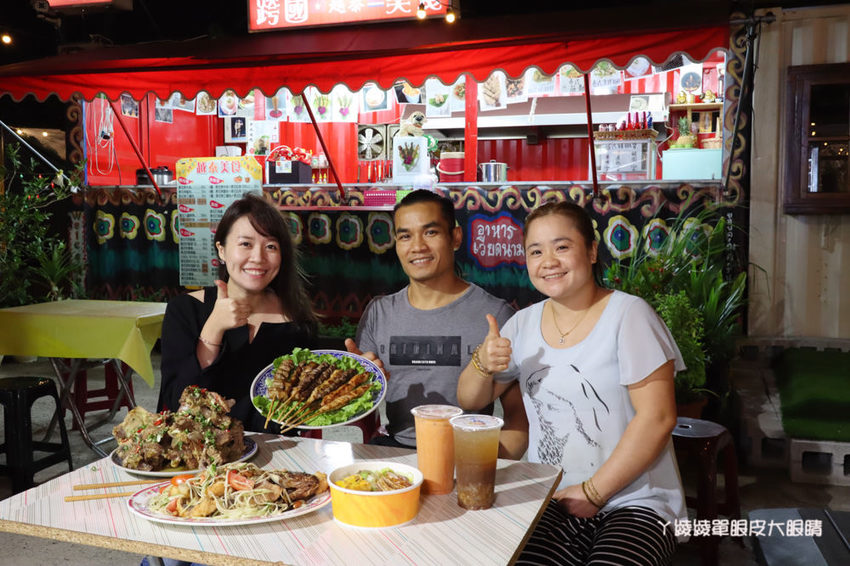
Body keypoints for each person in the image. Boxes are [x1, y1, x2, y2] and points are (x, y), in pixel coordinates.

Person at [457, 200, 686, 565]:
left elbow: (658, 418)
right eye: (536, 251)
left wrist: (593, 492)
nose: (548, 261)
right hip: (553, 496)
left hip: (637, 502)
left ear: (592, 251)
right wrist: (482, 363)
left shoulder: (629, 315)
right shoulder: (522, 324)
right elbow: (469, 401)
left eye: (562, 247)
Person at [346, 189, 528, 458]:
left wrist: (485, 468)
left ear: (455, 237)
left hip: (466, 454)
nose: (417, 246)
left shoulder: (495, 315)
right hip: (396, 453)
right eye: (405, 236)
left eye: (430, 232)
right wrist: (357, 385)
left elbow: (519, 418)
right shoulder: (379, 312)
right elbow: (358, 410)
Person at [157, 193, 318, 433]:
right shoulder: (184, 310)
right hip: (199, 448)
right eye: (245, 244)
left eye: (271, 246)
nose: (258, 258)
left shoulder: (298, 322)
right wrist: (213, 328)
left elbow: (308, 406)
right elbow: (176, 403)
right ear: (221, 250)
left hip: (276, 452)